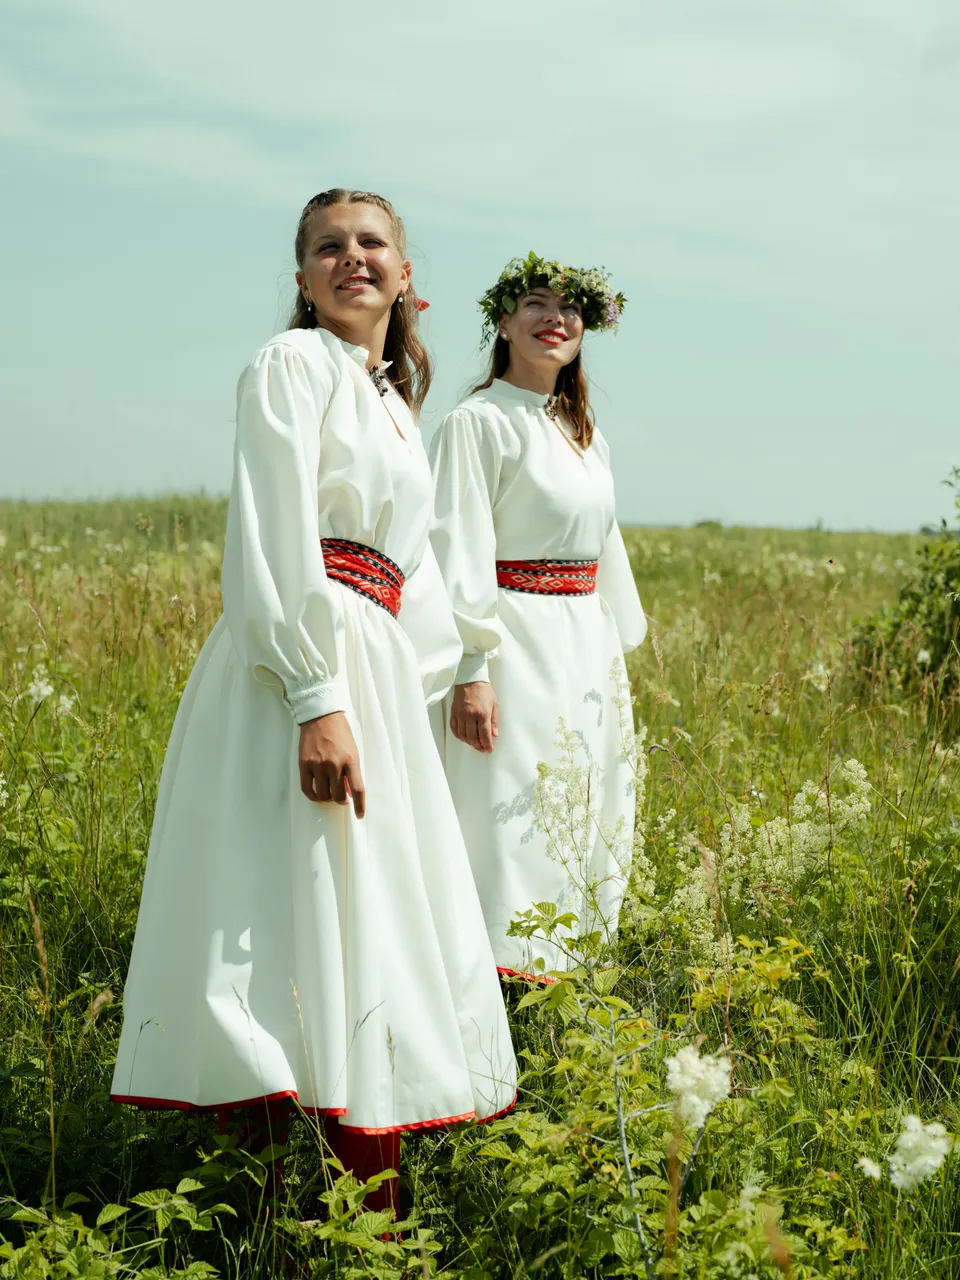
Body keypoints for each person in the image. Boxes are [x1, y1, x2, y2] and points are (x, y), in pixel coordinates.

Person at [111, 189, 517, 1216]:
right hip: (302, 663)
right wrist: (314, 694)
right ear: (300, 278)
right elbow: (274, 530)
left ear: (406, 271)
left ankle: (342, 1198)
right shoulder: (292, 366)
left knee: (363, 909)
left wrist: (444, 677)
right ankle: (267, 1197)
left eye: (372, 243)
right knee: (281, 903)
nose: (353, 259)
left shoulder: (389, 400)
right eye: (328, 247)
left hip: (369, 664)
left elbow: (411, 573)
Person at [429, 253, 647, 983]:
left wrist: (613, 655)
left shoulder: (583, 429)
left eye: (571, 308)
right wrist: (471, 669)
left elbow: (603, 551)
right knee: (510, 815)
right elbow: (456, 547)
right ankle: (497, 982)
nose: (556, 318)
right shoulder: (478, 422)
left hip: (583, 646)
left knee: (583, 811)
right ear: (503, 322)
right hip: (513, 644)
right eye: (536, 303)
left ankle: (572, 979)